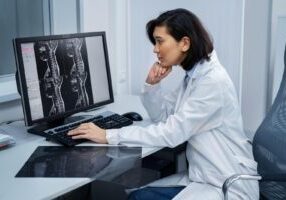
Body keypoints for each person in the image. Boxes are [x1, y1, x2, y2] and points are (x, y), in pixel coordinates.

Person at [68, 8, 259, 200]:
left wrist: (109, 135)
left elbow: (171, 133)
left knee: (137, 198)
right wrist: (152, 85)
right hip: (206, 176)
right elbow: (164, 116)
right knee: (135, 194)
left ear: (184, 43)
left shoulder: (212, 82)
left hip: (227, 185)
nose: (155, 49)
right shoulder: (194, 76)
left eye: (160, 41)